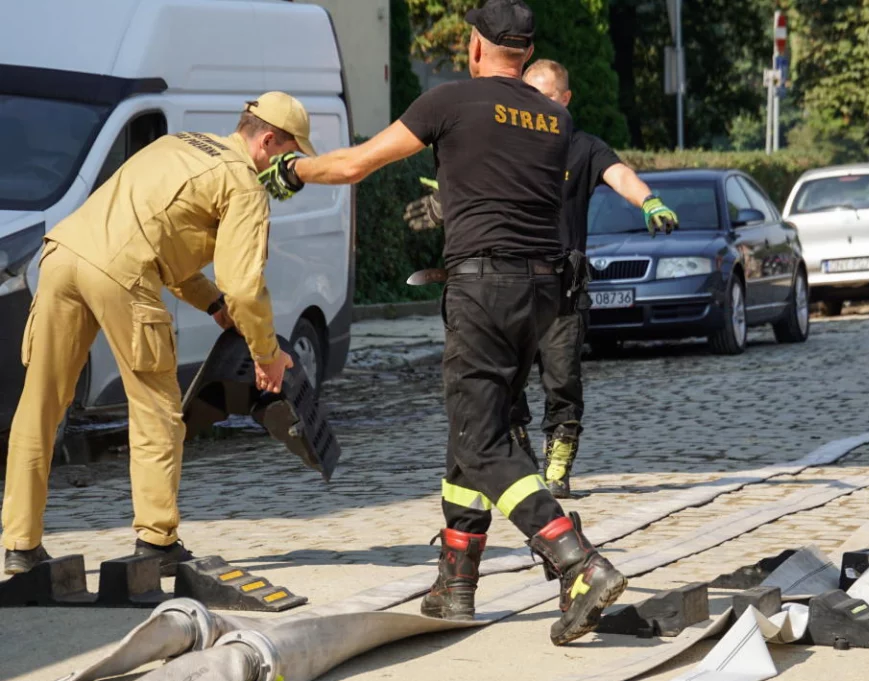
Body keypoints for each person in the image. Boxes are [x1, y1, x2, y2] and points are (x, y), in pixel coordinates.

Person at [257, 0, 627, 646]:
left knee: (483, 443)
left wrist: (292, 169)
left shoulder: (451, 102)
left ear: (476, 48)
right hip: (541, 294)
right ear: (526, 55)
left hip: (484, 289)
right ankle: (455, 581)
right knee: (476, 430)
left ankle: (579, 561)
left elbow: (355, 164)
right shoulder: (555, 118)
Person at [2, 92, 302, 577]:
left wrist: (211, 303)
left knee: (39, 405)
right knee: (158, 413)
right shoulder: (244, 183)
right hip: (122, 275)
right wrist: (266, 353)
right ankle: (157, 543)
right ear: (268, 140)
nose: (293, 170)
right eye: (291, 154)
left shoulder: (182, 143)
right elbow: (245, 286)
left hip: (62, 255)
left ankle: (20, 547)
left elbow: (163, 245)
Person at [406, 59, 680, 499]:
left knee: (562, 381)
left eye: (546, 97)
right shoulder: (503, 143)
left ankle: (559, 462)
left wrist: (648, 200)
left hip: (561, 291)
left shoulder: (580, 147)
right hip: (506, 287)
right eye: (529, 93)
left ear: (565, 100)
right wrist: (446, 202)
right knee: (503, 386)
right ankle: (517, 463)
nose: (535, 105)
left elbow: (619, 174)